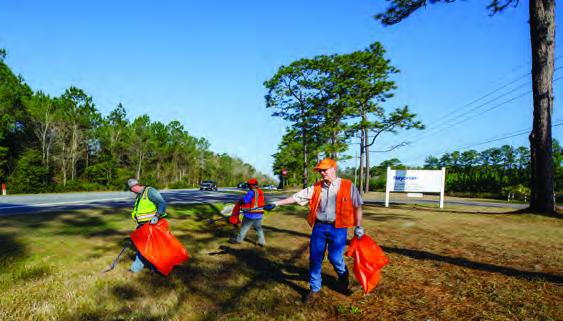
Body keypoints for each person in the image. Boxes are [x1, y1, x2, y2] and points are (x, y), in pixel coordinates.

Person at [263, 158, 364, 303]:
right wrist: (276, 203)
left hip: (339, 228)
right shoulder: (316, 187)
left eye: (325, 170)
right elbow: (297, 197)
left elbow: (358, 206)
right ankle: (315, 289)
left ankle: (343, 275)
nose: (322, 173)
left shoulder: (348, 185)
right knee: (315, 259)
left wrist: (359, 226)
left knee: (335, 258)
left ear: (334, 169)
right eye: (320, 170)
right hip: (320, 227)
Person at [127, 178, 167, 272]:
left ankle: (157, 268)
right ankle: (136, 267)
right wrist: (135, 216)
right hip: (142, 225)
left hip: (152, 224)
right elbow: (138, 209)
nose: (132, 191)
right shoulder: (139, 196)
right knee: (141, 245)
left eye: (132, 189)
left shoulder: (150, 191)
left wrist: (157, 216)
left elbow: (162, 203)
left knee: (153, 246)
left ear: (136, 186)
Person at [229, 178, 266, 246]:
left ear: (251, 185)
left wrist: (241, 199)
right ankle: (262, 242)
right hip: (259, 214)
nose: (248, 186)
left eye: (249, 185)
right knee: (258, 229)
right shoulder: (261, 191)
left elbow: (246, 201)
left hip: (250, 214)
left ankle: (238, 240)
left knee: (244, 228)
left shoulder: (251, 192)